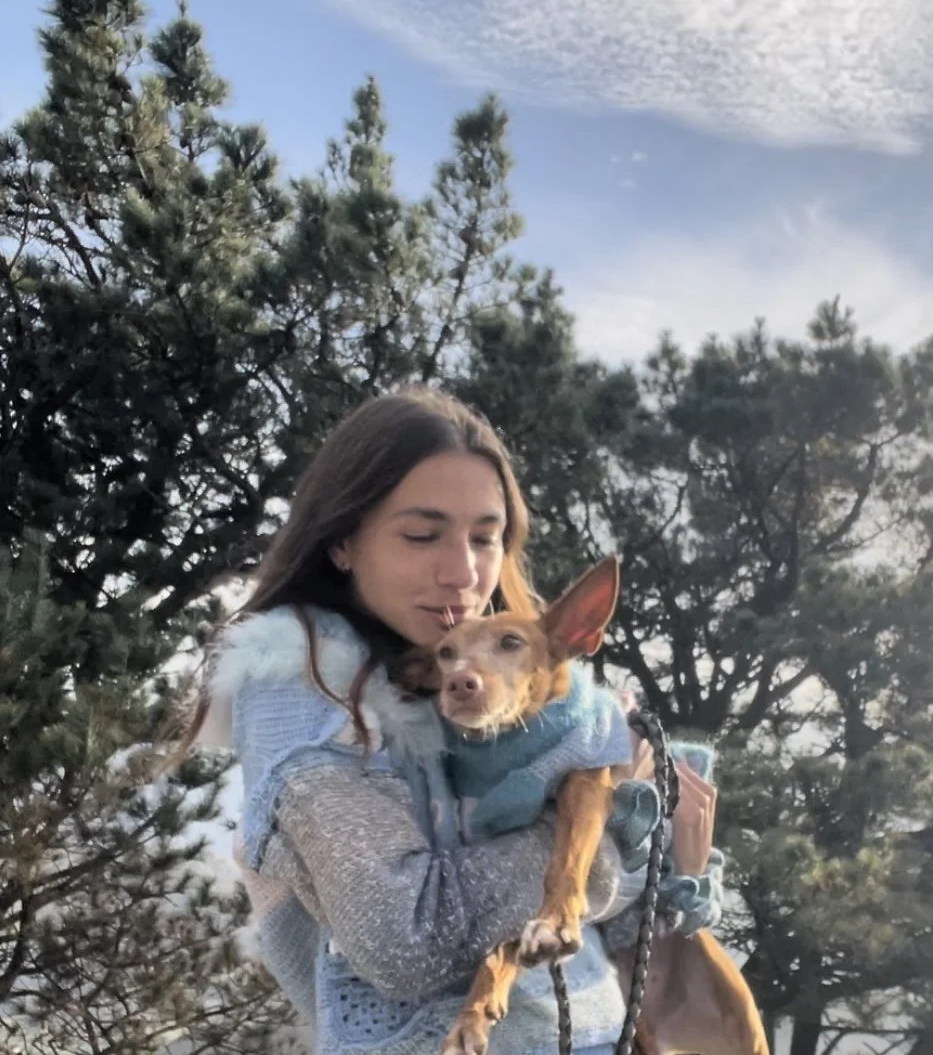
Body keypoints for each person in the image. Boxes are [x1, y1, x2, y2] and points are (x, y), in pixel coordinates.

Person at [182, 387, 725, 1055]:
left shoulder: (478, 680)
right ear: (343, 541)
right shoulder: (302, 684)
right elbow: (403, 936)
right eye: (422, 534)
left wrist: (674, 859)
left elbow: (608, 927)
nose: (464, 573)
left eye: (486, 538)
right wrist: (604, 831)